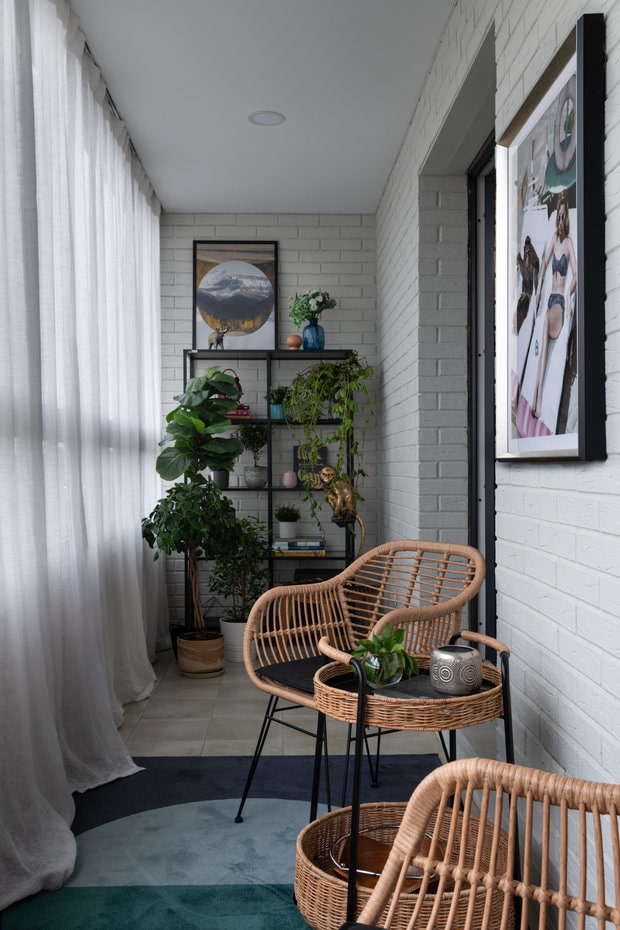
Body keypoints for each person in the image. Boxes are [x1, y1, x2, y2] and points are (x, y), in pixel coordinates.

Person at [531, 190, 576, 420]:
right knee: (542, 353)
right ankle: (536, 395)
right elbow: (544, 265)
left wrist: (568, 295)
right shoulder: (553, 240)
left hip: (558, 302)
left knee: (546, 323)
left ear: (566, 219)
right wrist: (539, 289)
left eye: (562, 216)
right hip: (549, 299)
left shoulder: (568, 244)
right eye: (558, 216)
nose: (560, 220)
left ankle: (537, 398)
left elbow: (576, 273)